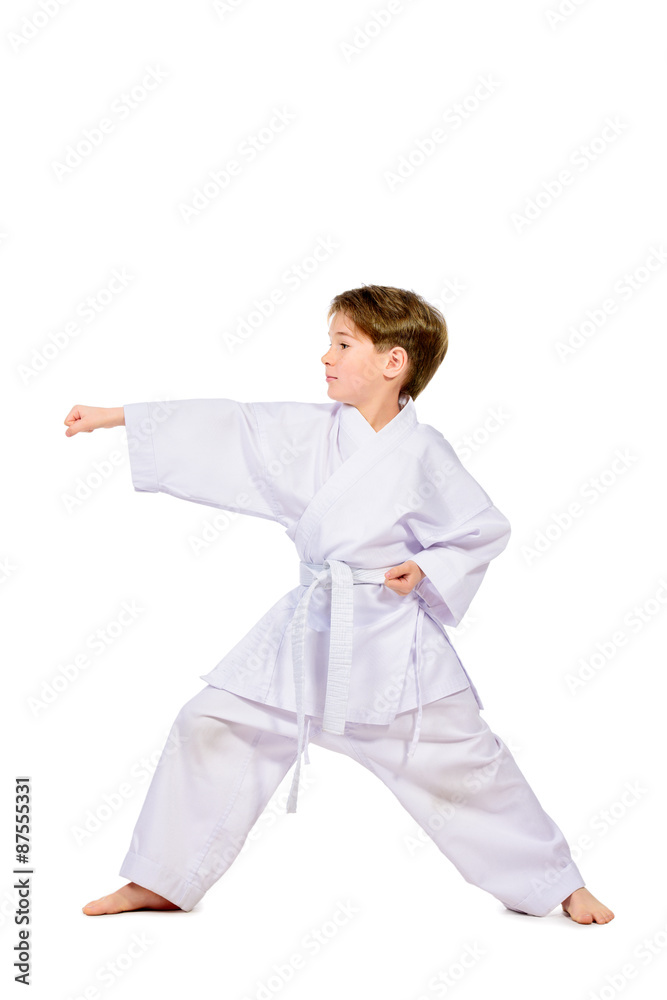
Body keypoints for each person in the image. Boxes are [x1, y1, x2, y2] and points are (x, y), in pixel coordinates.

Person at [64, 284, 613, 924]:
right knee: (211, 723)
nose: (326, 356)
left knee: (466, 763)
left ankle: (557, 882)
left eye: (343, 344)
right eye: (330, 342)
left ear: (393, 362)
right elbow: (232, 426)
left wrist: (427, 567)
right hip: (309, 632)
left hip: (395, 646)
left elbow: (480, 529)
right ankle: (162, 878)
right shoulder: (306, 434)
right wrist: (120, 416)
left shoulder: (424, 452)